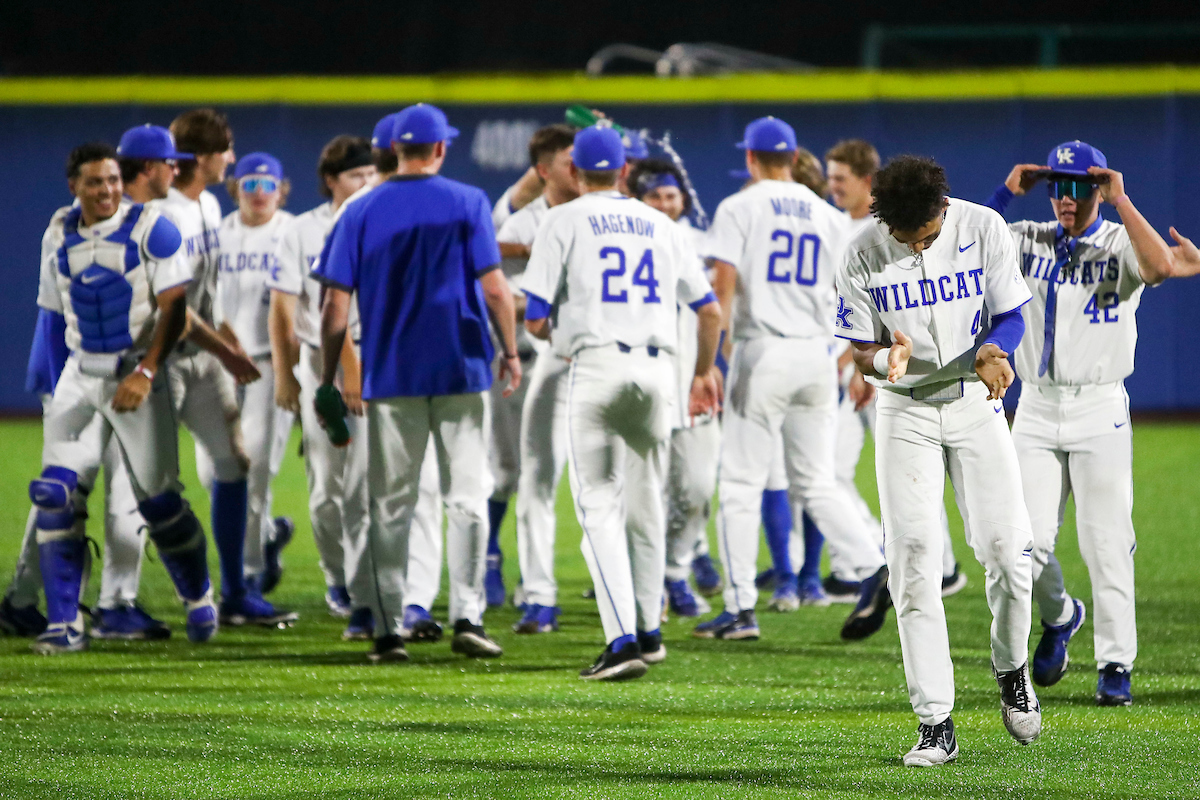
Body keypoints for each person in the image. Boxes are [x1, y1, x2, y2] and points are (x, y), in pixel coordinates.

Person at [836, 154, 1041, 765]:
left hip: (975, 402)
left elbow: (1011, 311)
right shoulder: (860, 251)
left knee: (1010, 552)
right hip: (904, 411)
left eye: (924, 233)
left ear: (941, 210)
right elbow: (859, 350)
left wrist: (996, 350)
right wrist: (882, 362)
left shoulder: (982, 227)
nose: (914, 243)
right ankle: (936, 720)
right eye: (904, 235)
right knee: (912, 559)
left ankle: (1011, 668)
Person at [983, 141, 1200, 706]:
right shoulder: (1024, 235)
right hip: (1033, 407)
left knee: (1106, 542)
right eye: (1060, 186)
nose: (1066, 199)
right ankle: (1061, 616)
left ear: (1098, 188)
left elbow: (1159, 265)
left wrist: (1122, 200)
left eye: (1079, 187)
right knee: (1022, 544)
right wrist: (1008, 191)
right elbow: (965, 245)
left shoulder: (1118, 239)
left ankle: (1115, 663)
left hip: (1099, 407)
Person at [314, 103, 517, 663]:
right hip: (461, 366)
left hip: (391, 371)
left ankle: (385, 629)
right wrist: (511, 351)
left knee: (391, 505)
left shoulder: (358, 209)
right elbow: (497, 289)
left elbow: (334, 306)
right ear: (441, 149)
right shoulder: (468, 201)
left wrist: (329, 376)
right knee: (466, 498)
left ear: (392, 152)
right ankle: (468, 617)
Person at [522, 125, 722, 680]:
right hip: (660, 370)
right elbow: (709, 312)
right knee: (647, 500)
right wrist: (703, 371)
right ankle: (651, 632)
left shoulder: (561, 219)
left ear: (574, 172)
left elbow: (534, 317)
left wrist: (557, 329)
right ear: (625, 173)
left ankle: (622, 642)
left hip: (599, 365)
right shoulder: (662, 223)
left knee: (599, 505)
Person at [693, 117, 887, 643]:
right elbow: (853, 296)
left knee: (738, 484)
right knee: (816, 481)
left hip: (765, 351)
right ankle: (873, 565)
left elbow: (724, 288)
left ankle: (738, 609)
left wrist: (711, 360)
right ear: (792, 157)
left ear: (752, 159)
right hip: (817, 358)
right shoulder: (828, 217)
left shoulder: (739, 207)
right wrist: (860, 356)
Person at [31, 142, 218, 653]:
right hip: (80, 373)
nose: (107, 190)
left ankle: (199, 594)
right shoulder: (57, 233)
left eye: (113, 179)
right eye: (95, 182)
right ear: (75, 186)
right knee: (55, 496)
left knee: (159, 502)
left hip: (135, 373)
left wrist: (148, 368)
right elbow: (52, 312)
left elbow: (174, 307)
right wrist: (51, 385)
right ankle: (64, 623)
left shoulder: (151, 228)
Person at [823, 139, 966, 603]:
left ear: (868, 182)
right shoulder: (845, 228)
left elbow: (895, 310)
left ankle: (936, 567)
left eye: (840, 178)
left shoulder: (890, 229)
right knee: (834, 471)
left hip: (892, 368)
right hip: (866, 364)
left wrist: (857, 365)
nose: (832, 186)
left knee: (911, 475)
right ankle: (868, 562)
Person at [269, 135, 376, 639]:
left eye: (372, 174)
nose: (367, 182)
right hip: (321, 364)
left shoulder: (382, 214)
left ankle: (367, 586)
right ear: (332, 180)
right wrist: (286, 373)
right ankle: (338, 577)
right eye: (356, 175)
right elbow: (283, 308)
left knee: (367, 486)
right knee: (325, 491)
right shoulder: (300, 230)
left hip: (376, 360)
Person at [489, 124, 578, 633]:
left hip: (578, 357)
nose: (579, 166)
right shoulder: (522, 223)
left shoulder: (600, 213)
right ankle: (504, 570)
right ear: (545, 170)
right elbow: (494, 291)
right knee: (514, 475)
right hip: (523, 357)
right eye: (569, 159)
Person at [627, 157, 720, 620]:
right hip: (645, 376)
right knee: (643, 489)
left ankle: (675, 571)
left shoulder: (699, 242)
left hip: (693, 377)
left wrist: (708, 367)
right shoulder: (627, 240)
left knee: (699, 485)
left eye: (671, 195)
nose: (665, 203)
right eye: (654, 196)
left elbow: (713, 310)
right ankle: (648, 582)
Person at [215, 152, 298, 627]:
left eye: (269, 184)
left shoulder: (293, 230)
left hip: (272, 364)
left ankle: (246, 576)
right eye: (251, 184)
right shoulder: (218, 233)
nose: (261, 192)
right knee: (215, 474)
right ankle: (264, 535)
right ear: (236, 189)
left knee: (257, 469)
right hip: (222, 364)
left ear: (282, 190)